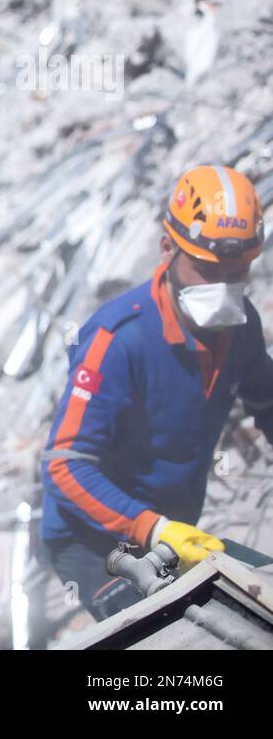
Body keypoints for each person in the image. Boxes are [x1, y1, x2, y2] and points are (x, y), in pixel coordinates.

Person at [41, 166, 273, 619]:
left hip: (175, 533)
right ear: (167, 248)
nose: (222, 287)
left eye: (237, 271)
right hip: (93, 542)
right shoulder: (119, 339)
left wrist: (168, 531)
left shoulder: (240, 327)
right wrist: (154, 527)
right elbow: (65, 467)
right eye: (207, 270)